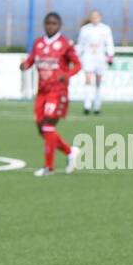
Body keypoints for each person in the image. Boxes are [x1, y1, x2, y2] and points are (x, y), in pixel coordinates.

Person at [20, 12, 81, 177]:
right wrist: (25, 64)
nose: (50, 26)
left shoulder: (65, 44)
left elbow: (77, 65)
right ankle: (70, 152)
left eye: (53, 23)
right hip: (41, 91)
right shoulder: (38, 43)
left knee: (48, 126)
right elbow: (32, 59)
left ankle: (48, 167)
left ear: (59, 25)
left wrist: (66, 74)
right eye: (48, 23)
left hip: (57, 92)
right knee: (42, 129)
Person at [77, 9, 115, 115]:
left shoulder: (105, 29)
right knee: (88, 79)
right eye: (93, 16)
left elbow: (109, 43)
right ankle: (87, 105)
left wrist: (110, 55)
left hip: (100, 58)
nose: (95, 18)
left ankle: (97, 106)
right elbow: (80, 44)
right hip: (88, 57)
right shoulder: (85, 29)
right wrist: (77, 57)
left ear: (100, 17)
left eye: (96, 16)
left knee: (98, 81)